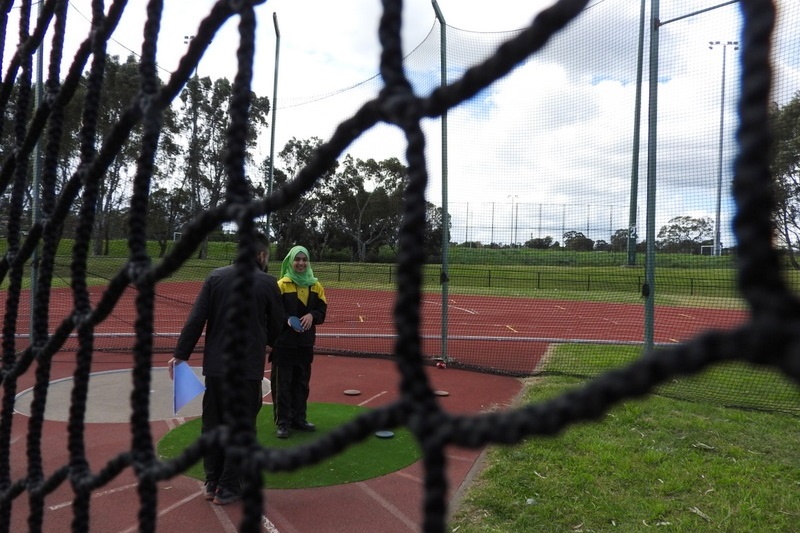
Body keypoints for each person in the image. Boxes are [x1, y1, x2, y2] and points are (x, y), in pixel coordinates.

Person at [168, 232, 283, 505]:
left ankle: (212, 481)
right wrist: (267, 341)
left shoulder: (216, 277)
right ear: (260, 256)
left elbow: (196, 318)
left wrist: (180, 354)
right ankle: (228, 486)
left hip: (217, 368)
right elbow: (278, 327)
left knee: (214, 423)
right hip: (246, 370)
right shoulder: (268, 283)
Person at [271, 245, 327, 439]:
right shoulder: (282, 285)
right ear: (290, 261)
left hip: (305, 343)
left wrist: (312, 315)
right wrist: (286, 319)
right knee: (283, 384)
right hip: (284, 344)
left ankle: (299, 419)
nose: (301, 263)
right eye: (297, 259)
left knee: (302, 382)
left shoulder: (316, 286)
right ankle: (283, 422)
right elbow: (274, 312)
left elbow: (322, 312)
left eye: (304, 259)